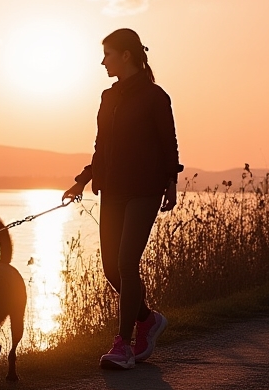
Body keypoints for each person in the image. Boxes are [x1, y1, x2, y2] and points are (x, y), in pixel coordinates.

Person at [62, 28, 182, 370]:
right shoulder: (108, 97)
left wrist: (170, 182)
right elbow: (103, 146)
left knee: (127, 264)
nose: (103, 61)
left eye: (108, 54)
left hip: (145, 190)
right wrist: (83, 180)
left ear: (126, 55)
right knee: (111, 268)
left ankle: (123, 345)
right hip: (112, 189)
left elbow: (168, 142)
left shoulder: (155, 97)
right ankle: (148, 320)